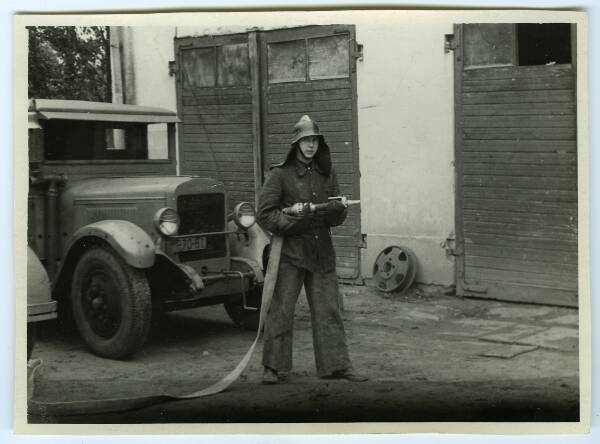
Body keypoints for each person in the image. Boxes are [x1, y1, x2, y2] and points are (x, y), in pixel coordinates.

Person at [257, 115, 367, 384]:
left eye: (315, 141)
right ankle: (273, 367)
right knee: (281, 309)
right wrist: (292, 222)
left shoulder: (326, 173)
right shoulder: (280, 175)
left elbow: (335, 218)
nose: (311, 146)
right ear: (296, 144)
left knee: (329, 309)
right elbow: (265, 215)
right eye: (306, 140)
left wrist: (336, 211)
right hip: (290, 253)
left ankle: (337, 365)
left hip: (321, 252)